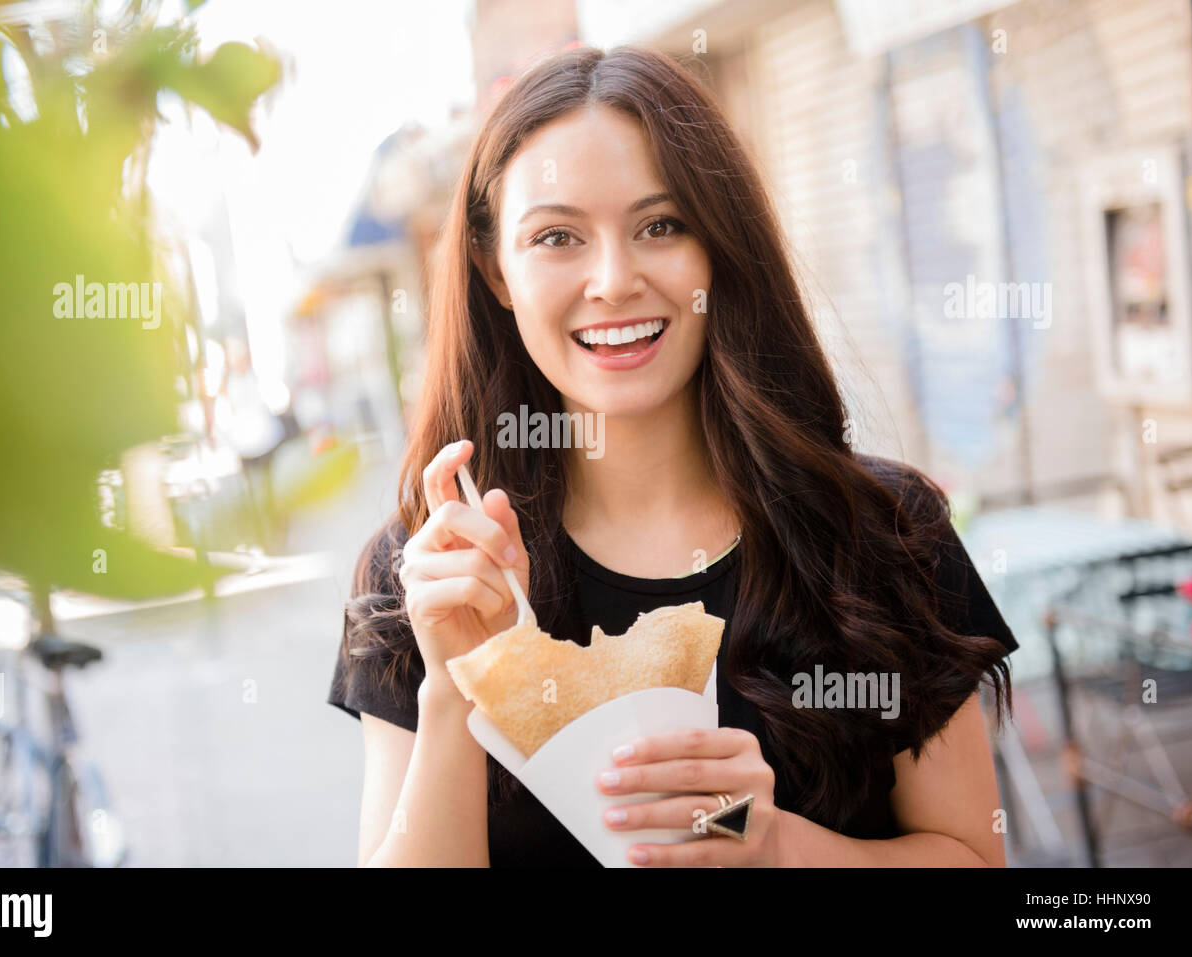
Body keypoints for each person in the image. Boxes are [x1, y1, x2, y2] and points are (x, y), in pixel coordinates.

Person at [327, 44, 1017, 867]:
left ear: (720, 247)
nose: (614, 280)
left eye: (661, 225)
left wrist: (779, 848)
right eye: (556, 237)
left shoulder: (881, 532)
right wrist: (454, 689)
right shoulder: (428, 572)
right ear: (494, 268)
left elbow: (976, 858)